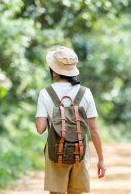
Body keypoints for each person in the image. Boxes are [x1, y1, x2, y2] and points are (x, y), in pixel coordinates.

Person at [35, 46, 106, 194]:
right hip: (80, 151)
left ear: (53, 70)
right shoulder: (85, 93)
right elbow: (94, 129)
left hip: (56, 151)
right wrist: (101, 159)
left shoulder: (45, 93)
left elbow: (40, 129)